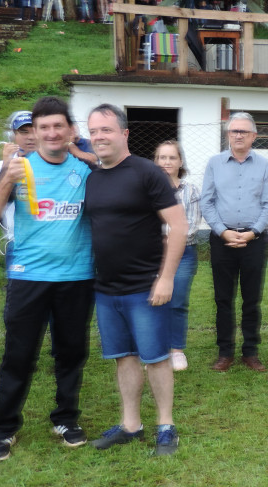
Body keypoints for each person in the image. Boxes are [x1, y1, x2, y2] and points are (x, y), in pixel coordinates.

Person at [0, 97, 94, 461]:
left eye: (58, 126)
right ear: (36, 132)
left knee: (71, 352)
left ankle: (66, 418)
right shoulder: (19, 168)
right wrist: (5, 182)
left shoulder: (86, 170)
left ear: (71, 130)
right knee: (19, 354)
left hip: (77, 277)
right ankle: (3, 428)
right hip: (29, 277)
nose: (51, 133)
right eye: (44, 127)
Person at [85, 104, 187, 455]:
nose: (99, 137)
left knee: (155, 357)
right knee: (124, 357)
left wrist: (166, 278)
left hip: (145, 288)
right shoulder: (93, 179)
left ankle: (166, 426)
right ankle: (131, 425)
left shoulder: (147, 173)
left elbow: (179, 227)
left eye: (106, 130)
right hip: (106, 289)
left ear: (124, 133)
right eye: (93, 131)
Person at [200, 112, 268, 372]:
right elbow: (207, 202)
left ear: (254, 136)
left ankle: (250, 352)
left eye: (244, 131)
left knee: (251, 299)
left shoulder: (265, 165)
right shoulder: (214, 163)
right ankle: (225, 352)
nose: (239, 135)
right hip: (222, 240)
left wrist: (253, 232)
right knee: (223, 299)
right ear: (228, 135)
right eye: (234, 131)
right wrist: (222, 231)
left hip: (254, 240)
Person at [154, 140, 201, 372]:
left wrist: (167, 236)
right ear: (155, 161)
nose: (167, 162)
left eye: (172, 157)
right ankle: (156, 350)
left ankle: (176, 350)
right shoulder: (147, 189)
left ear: (180, 162)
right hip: (152, 254)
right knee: (153, 302)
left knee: (177, 301)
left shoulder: (190, 191)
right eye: (162, 157)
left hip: (184, 253)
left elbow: (190, 227)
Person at [0, 111, 37, 266]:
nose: (30, 137)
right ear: (11, 136)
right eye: (24, 132)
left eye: (34, 131)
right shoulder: (0, 166)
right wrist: (6, 166)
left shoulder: (52, 163)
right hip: (17, 241)